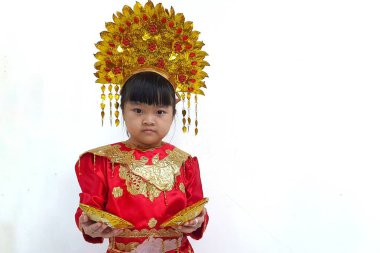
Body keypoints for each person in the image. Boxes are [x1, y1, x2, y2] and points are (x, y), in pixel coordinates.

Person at [74, 71, 209, 253]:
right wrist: (88, 224)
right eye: (138, 110)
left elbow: (198, 210)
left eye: (160, 112)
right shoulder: (101, 162)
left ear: (173, 114)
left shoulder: (185, 163)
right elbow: (89, 211)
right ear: (122, 110)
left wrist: (197, 220)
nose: (148, 120)